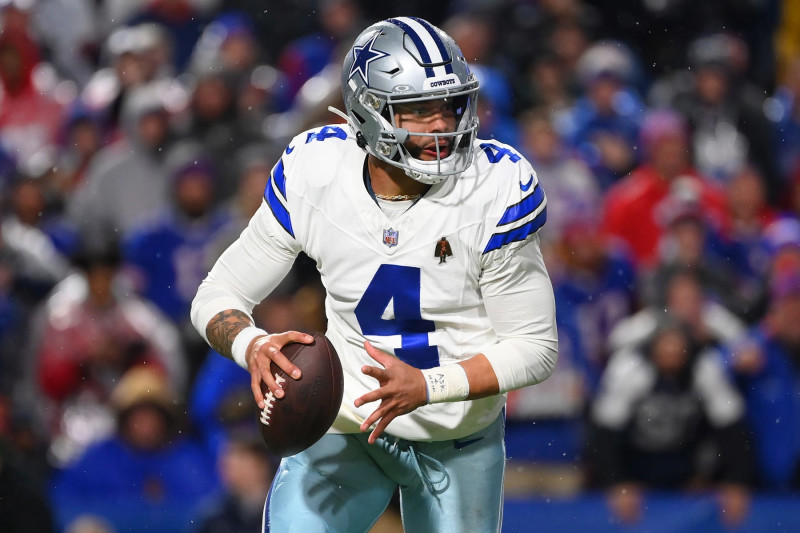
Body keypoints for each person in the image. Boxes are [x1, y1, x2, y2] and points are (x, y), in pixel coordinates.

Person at [191, 17, 558, 533]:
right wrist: (251, 344)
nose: (441, 124)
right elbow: (217, 294)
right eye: (418, 109)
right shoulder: (316, 171)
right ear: (368, 112)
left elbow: (535, 347)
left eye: (450, 105)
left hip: (455, 437)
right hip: (346, 424)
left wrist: (427, 385)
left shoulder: (495, 185)